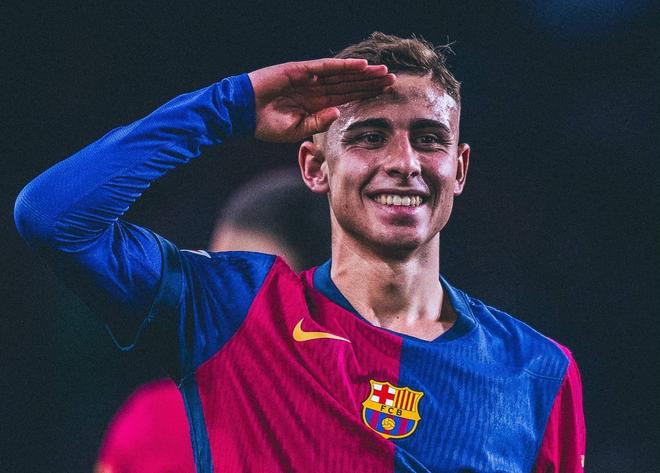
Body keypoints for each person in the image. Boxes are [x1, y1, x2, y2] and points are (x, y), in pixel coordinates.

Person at [15, 32, 585, 472]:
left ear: (458, 169)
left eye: (429, 139)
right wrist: (229, 105)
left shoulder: (539, 371)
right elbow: (53, 216)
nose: (405, 162)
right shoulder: (235, 310)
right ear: (315, 167)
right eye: (369, 137)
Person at [95, 168, 330, 473]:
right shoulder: (152, 422)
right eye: (215, 280)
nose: (221, 309)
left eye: (252, 291)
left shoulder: (370, 435)